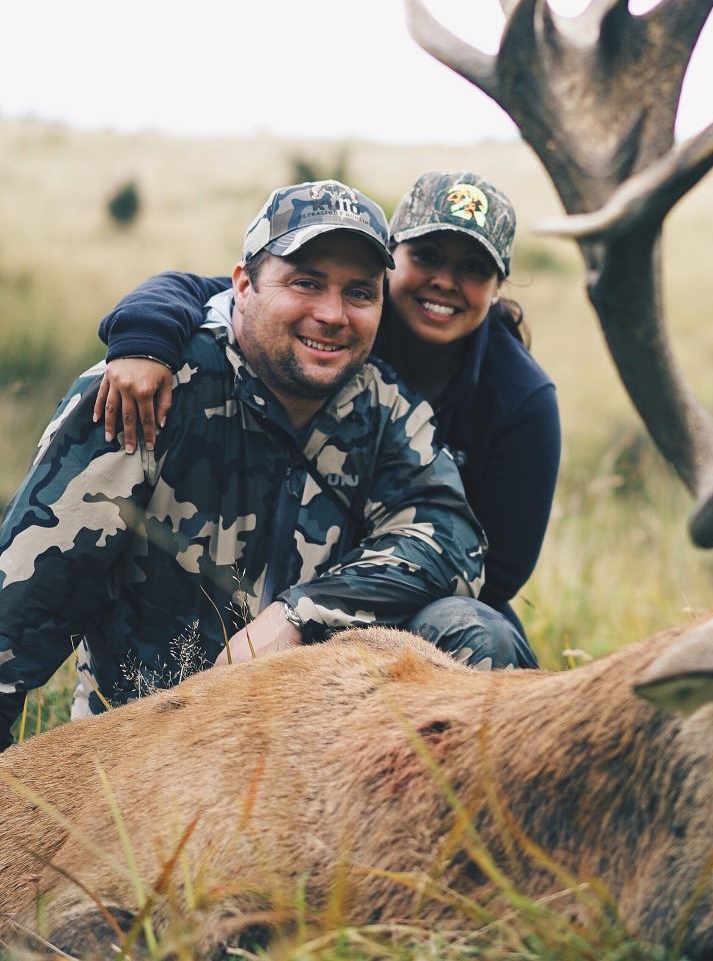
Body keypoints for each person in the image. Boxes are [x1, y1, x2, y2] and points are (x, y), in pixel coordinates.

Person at [0, 180, 487, 749]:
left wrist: (300, 615)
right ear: (243, 285)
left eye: (359, 293)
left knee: (477, 632)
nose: (332, 314)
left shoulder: (387, 410)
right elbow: (22, 609)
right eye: (306, 283)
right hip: (146, 751)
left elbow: (451, 540)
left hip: (314, 750)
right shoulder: (151, 390)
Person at [95, 171, 560, 668]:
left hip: (413, 598)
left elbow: (498, 569)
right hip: (284, 570)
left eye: (473, 268)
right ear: (391, 259)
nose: (445, 281)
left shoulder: (522, 399)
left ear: (497, 287)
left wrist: (338, 605)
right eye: (427, 256)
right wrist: (145, 340)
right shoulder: (342, 314)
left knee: (480, 630)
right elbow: (204, 291)